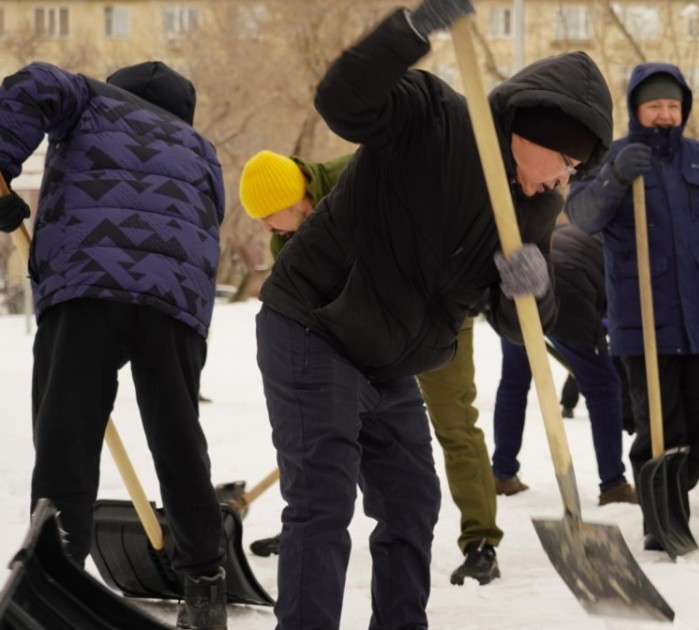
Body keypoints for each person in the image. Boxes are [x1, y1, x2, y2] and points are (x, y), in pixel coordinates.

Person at [253, 0, 613, 626]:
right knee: (323, 498)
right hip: (314, 324)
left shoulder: (530, 211)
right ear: (541, 135)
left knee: (412, 502)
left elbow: (517, 322)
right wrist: (409, 31)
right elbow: (342, 100)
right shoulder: (435, 118)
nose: (565, 181)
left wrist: (533, 287)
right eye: (569, 163)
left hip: (391, 363)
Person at [0, 61, 228, 629]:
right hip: (175, 300)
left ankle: (59, 573)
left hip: (86, 282)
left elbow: (33, 84)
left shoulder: (89, 98)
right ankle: (204, 584)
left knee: (65, 438)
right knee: (178, 438)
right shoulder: (201, 147)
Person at [240, 150, 505, 587]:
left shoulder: (361, 172)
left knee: (454, 420)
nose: (266, 227)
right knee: (315, 419)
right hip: (363, 329)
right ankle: (307, 526)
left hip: (433, 312)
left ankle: (480, 541)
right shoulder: (285, 238)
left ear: (299, 197)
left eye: (269, 215)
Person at [565, 63, 699, 550]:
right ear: (636, 109)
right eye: (655, 106)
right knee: (660, 425)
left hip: (698, 314)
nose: (665, 115)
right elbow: (582, 217)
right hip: (642, 319)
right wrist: (615, 176)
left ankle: (670, 496)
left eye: (673, 106)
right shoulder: (608, 159)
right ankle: (662, 522)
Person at [492, 224, 637, 505]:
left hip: (523, 280)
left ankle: (502, 472)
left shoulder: (579, 230)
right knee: (604, 387)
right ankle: (614, 485)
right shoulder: (623, 249)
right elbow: (618, 315)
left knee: (513, 382)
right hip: (568, 291)